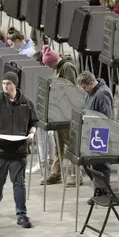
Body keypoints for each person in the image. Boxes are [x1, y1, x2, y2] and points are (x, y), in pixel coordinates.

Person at [0, 71, 38, 229]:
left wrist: (31, 133)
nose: (5, 86)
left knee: (19, 182)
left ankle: (22, 215)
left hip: (18, 150)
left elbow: (34, 122)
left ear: (15, 85)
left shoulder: (26, 102)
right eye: (3, 83)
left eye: (9, 84)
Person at [38, 45, 80, 185]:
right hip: (59, 112)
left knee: (70, 144)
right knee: (59, 144)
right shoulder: (58, 68)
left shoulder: (68, 67)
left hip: (68, 113)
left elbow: (70, 88)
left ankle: (75, 175)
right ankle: (56, 173)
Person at [76, 71, 114, 191]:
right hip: (91, 133)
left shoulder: (102, 94)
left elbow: (106, 118)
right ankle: (99, 188)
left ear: (92, 82)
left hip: (100, 134)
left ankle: (104, 191)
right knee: (87, 162)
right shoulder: (91, 92)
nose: (84, 90)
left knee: (101, 165)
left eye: (85, 87)